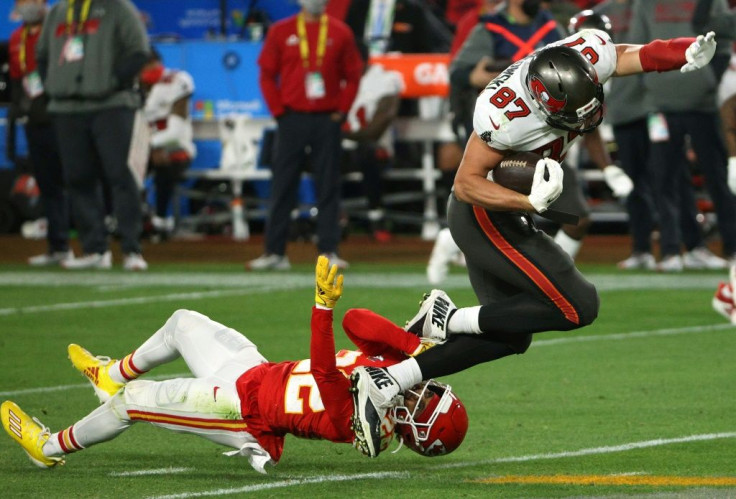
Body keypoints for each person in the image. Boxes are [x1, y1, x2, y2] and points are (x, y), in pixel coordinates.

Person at [350, 25, 720, 456]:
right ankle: (446, 320)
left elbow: (623, 54)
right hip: (482, 216)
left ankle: (389, 380)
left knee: (511, 334)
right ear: (545, 105)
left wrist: (680, 51)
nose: (585, 122)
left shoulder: (584, 55)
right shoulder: (504, 114)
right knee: (579, 304)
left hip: (505, 214)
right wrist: (525, 200)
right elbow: (466, 183)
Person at [1, 256, 467, 470]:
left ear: (415, 429)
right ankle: (110, 373)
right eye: (432, 390)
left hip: (241, 414)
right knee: (183, 322)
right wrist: (411, 346)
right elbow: (359, 321)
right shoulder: (393, 379)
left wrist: (320, 307)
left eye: (426, 403)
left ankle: (50, 448)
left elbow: (326, 373)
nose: (423, 391)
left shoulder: (367, 424)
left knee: (133, 403)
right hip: (254, 373)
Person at [248, 0, 363, 271]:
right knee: (283, 184)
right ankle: (274, 252)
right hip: (292, 118)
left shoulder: (340, 32)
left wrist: (341, 112)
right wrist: (279, 112)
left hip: (327, 119)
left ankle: (329, 250)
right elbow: (266, 75)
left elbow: (354, 75)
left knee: (328, 185)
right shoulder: (280, 31)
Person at [35, 0, 149, 271]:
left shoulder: (118, 8)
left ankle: (132, 249)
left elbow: (138, 52)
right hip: (67, 108)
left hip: (111, 105)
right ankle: (94, 249)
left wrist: (110, 81)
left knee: (121, 176)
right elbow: (42, 55)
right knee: (77, 178)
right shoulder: (58, 12)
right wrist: (54, 85)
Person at [630, 0, 736, 271]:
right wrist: (651, 87)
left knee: (719, 178)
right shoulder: (645, 4)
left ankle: (731, 248)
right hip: (660, 106)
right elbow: (635, 47)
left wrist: (711, 77)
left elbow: (727, 31)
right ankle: (672, 250)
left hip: (704, 103)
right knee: (664, 178)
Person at [7, 0, 70, 266]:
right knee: (47, 183)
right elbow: (18, 78)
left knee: (73, 180)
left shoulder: (57, 29)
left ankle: (94, 246)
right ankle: (58, 247)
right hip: (33, 117)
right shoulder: (16, 37)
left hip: (60, 114)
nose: (26, 5)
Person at [342, 45, 403, 242]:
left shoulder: (385, 80)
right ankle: (333, 218)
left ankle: (377, 218)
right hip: (342, 149)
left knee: (367, 152)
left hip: (377, 150)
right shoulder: (335, 79)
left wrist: (338, 133)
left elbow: (373, 132)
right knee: (322, 152)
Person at [140, 49, 196, 238]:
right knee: (119, 167)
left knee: (166, 163)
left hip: (176, 147)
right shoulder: (130, 87)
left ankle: (161, 220)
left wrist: (152, 145)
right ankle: (128, 216)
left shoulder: (176, 81)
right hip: (142, 149)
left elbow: (175, 133)